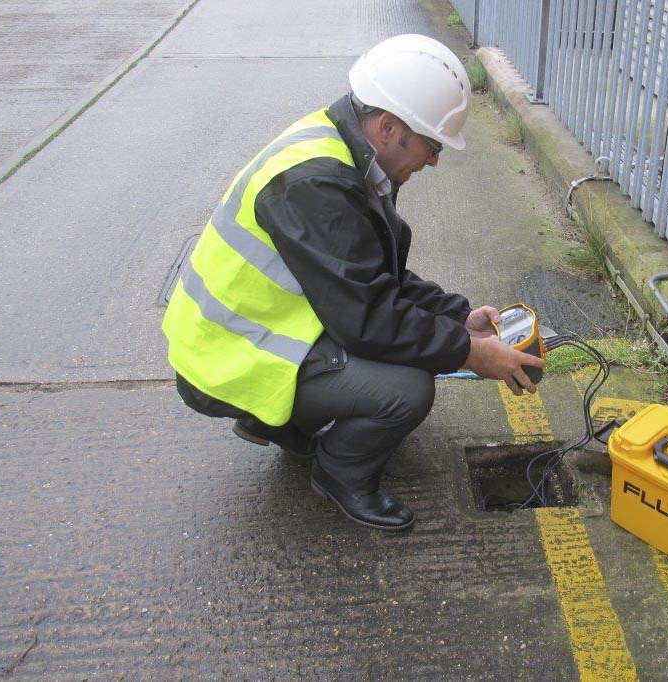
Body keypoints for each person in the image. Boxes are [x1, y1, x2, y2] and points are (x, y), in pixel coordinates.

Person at [162, 34, 543, 531]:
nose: (434, 160)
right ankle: (339, 474)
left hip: (244, 335)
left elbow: (370, 277)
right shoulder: (317, 184)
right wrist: (471, 353)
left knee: (400, 356)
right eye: (432, 144)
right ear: (388, 127)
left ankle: (279, 422)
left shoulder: (339, 147)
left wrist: (456, 316)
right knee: (406, 388)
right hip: (227, 360)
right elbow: (369, 320)